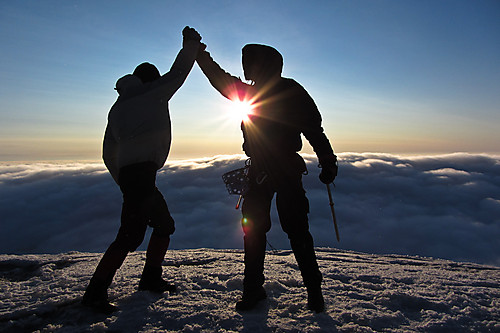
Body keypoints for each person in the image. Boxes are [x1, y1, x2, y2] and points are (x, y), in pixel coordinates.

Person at [196, 43, 338, 312]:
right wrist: (328, 163)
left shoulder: (252, 93)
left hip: (263, 171)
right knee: (293, 230)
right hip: (283, 171)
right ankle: (311, 292)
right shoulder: (289, 91)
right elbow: (314, 131)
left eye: (250, 63)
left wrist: (199, 55)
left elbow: (219, 79)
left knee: (258, 231)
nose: (247, 68)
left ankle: (257, 290)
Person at [82, 26, 203, 314]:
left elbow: (108, 150)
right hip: (141, 174)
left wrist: (122, 178)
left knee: (161, 225)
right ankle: (97, 291)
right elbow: (179, 73)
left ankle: (149, 279)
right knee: (132, 235)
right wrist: (191, 44)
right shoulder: (153, 93)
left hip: (131, 175)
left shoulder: (118, 106)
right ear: (150, 79)